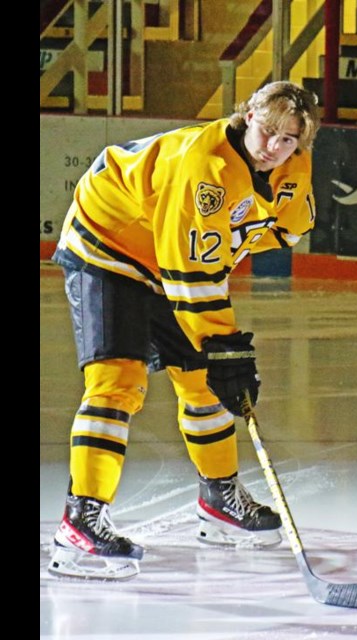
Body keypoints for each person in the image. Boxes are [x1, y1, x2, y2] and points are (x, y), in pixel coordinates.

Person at [48, 82, 321, 580]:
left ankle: (219, 499)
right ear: (246, 116)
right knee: (117, 382)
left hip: (169, 255)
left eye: (288, 140)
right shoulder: (206, 167)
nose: (273, 147)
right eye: (267, 131)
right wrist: (224, 347)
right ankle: (80, 521)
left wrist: (220, 353)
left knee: (204, 382)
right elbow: (190, 278)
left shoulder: (291, 166)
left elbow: (290, 227)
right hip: (109, 244)